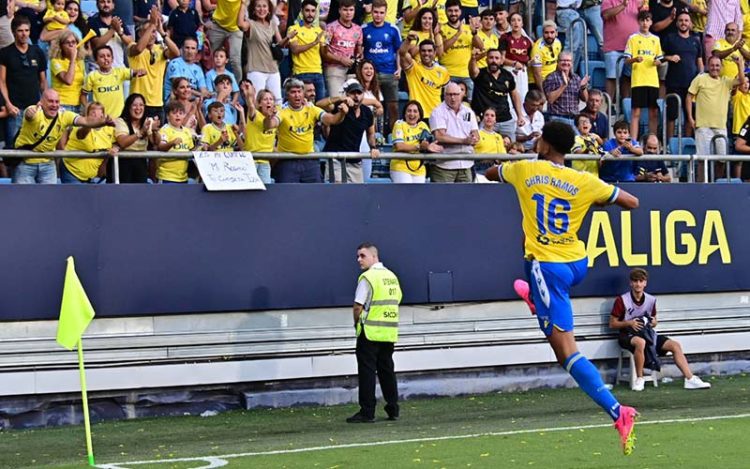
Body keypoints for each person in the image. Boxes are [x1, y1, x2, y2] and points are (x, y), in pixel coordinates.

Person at [485, 121, 641, 456]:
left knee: (565, 353)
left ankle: (618, 411)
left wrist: (513, 164)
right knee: (537, 268)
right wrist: (595, 201)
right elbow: (631, 202)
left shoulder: (525, 169)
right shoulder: (583, 180)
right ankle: (536, 299)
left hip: (548, 268)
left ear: (542, 143)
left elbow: (489, 172)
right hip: (577, 263)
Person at [609, 268, 711, 391]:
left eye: (641, 281)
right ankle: (640, 378)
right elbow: (612, 324)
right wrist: (629, 323)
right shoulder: (622, 300)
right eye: (635, 281)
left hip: (647, 333)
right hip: (627, 335)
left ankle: (690, 379)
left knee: (675, 345)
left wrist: (652, 322)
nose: (638, 284)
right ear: (631, 283)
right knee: (641, 342)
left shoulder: (650, 300)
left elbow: (655, 320)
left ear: (645, 283)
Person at [347, 242, 402, 423]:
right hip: (388, 332)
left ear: (373, 256)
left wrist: (357, 324)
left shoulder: (367, 278)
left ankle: (367, 411)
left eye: (362, 256)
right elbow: (397, 300)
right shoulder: (392, 276)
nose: (358, 260)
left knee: (367, 372)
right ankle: (393, 408)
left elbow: (358, 306)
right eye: (357, 256)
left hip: (369, 332)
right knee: (387, 370)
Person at [13, 89, 112, 184]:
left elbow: (85, 121)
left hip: (48, 164)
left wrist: (104, 121)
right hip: (25, 163)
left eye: (57, 102)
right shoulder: (35, 112)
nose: (54, 105)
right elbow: (29, 114)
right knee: (23, 198)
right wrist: (30, 113)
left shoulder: (64, 116)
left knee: (49, 199)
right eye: (50, 101)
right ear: (41, 102)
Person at [273, 78, 347, 183]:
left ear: (303, 94)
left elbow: (332, 120)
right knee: (287, 197)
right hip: (287, 161)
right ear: (287, 95)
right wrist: (269, 118)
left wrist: (342, 113)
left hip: (309, 161)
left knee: (316, 196)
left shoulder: (312, 109)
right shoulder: (281, 111)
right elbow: (271, 124)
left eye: (299, 92)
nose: (297, 95)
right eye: (293, 92)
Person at [686, 55, 745, 181]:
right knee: (702, 160)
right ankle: (702, 186)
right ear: (708, 66)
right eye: (712, 65)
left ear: (721, 67)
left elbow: (741, 81)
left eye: (717, 65)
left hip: (720, 127)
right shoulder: (700, 79)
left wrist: (740, 64)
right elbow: (689, 97)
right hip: (703, 127)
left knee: (722, 159)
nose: (715, 68)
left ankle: (716, 183)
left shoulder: (726, 81)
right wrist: (690, 118)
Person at [0, 15, 48, 148]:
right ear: (13, 32)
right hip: (15, 110)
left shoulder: (37, 51)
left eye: (27, 30)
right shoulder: (5, 53)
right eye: (20, 31)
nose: (24, 34)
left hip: (35, 108)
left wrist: (42, 102)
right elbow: (1, 81)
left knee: (36, 146)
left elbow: (43, 81)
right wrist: (8, 104)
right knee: (14, 150)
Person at [319, 81, 378, 183]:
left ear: (363, 95)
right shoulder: (339, 106)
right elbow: (319, 104)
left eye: (359, 93)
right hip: (336, 159)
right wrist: (340, 99)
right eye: (353, 93)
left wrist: (373, 147)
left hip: (354, 160)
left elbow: (371, 132)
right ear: (347, 95)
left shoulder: (367, 112)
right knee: (336, 194)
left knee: (356, 195)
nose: (356, 96)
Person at [128, 15, 180, 121]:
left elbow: (176, 53)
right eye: (148, 31)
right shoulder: (132, 47)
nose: (152, 35)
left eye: (153, 32)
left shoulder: (160, 49)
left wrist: (162, 32)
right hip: (138, 104)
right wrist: (152, 24)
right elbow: (138, 49)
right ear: (140, 34)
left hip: (157, 104)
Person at [661, 12, 703, 141]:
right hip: (674, 84)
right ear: (677, 22)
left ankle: (687, 143)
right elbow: (659, 57)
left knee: (690, 115)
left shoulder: (695, 41)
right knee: (671, 115)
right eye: (681, 20)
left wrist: (701, 77)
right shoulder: (670, 38)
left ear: (690, 23)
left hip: (692, 86)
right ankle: (669, 144)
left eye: (686, 20)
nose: (683, 23)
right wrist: (669, 57)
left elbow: (700, 61)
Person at [469, 47, 524, 141]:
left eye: (496, 58)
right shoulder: (480, 74)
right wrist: (473, 58)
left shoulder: (507, 75)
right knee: (486, 149)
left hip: (506, 120)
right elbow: (472, 71)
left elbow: (514, 95)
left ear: (501, 60)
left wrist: (520, 115)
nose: (494, 61)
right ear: (486, 60)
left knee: (510, 148)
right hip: (486, 120)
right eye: (491, 58)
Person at [362, 0, 401, 133]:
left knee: (393, 107)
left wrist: (399, 68)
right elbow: (360, 50)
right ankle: (375, 136)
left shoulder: (393, 29)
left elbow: (398, 51)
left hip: (389, 73)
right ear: (372, 12)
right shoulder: (364, 29)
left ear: (385, 13)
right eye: (376, 12)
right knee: (373, 107)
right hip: (371, 75)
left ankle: (394, 136)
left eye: (381, 13)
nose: (378, 15)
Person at [238, 0, 287, 104]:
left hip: (273, 68)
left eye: (264, 6)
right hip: (256, 69)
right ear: (254, 9)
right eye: (258, 6)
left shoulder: (273, 23)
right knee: (256, 101)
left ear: (269, 9)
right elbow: (240, 24)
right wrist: (243, 5)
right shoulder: (250, 24)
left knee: (277, 101)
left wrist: (289, 37)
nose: (262, 9)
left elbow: (280, 44)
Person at [429, 81, 479, 183]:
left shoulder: (468, 111)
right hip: (444, 166)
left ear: (461, 95)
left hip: (466, 164)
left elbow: (476, 133)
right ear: (444, 95)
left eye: (456, 94)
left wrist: (474, 138)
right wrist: (464, 141)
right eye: (449, 94)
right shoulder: (437, 112)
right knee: (442, 198)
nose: (453, 98)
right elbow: (440, 136)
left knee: (465, 198)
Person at [625, 10, 663, 142]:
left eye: (647, 20)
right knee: (636, 112)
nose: (645, 23)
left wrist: (658, 62)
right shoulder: (633, 38)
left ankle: (652, 140)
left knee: (653, 112)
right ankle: (634, 141)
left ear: (651, 22)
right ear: (639, 22)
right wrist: (635, 59)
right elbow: (626, 60)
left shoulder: (656, 39)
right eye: (642, 20)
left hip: (652, 81)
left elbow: (660, 60)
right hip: (638, 80)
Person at [61, 101, 119, 184]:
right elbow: (84, 130)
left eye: (101, 113)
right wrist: (95, 123)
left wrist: (115, 148)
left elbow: (118, 142)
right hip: (72, 172)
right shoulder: (81, 128)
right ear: (86, 115)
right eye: (93, 113)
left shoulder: (109, 130)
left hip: (92, 176)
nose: (98, 116)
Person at [82, 45, 146, 118]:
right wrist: (89, 108)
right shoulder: (92, 76)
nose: (106, 58)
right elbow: (83, 95)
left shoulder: (119, 72)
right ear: (96, 61)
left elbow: (137, 72)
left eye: (108, 56)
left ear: (112, 59)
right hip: (101, 118)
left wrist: (141, 72)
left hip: (119, 117)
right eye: (102, 56)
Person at [602, 0, 644, 101]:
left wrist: (642, 8)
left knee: (628, 78)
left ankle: (626, 107)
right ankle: (608, 108)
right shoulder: (608, 0)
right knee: (612, 78)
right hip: (614, 46)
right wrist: (623, 5)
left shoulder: (635, 1)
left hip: (632, 47)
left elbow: (644, 17)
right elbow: (606, 15)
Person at [390, 100, 441, 183]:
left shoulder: (423, 125)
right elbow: (399, 146)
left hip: (419, 169)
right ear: (405, 113)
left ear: (419, 114)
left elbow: (428, 144)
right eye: (409, 111)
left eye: (415, 111)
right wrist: (418, 147)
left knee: (418, 195)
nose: (412, 114)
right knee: (406, 194)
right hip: (401, 167)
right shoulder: (399, 124)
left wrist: (429, 147)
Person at [322, 0, 362, 100]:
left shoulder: (358, 29)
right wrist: (340, 59)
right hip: (334, 69)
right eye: (345, 10)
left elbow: (359, 50)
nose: (348, 13)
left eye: (351, 10)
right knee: (337, 101)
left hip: (351, 71)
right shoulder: (330, 28)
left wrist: (358, 56)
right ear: (339, 10)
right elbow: (323, 52)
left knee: (353, 101)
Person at [288, 0, 327, 103]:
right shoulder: (293, 29)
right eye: (307, 10)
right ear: (301, 11)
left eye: (313, 11)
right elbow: (295, 49)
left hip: (318, 72)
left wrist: (327, 43)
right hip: (301, 73)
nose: (310, 14)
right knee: (301, 105)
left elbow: (323, 54)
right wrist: (314, 43)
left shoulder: (318, 30)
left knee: (320, 106)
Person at [112, 92, 156, 183]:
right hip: (123, 164)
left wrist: (155, 131)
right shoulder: (120, 122)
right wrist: (140, 132)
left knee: (139, 194)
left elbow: (155, 143)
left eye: (141, 105)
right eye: (134, 105)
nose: (138, 108)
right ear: (128, 107)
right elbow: (123, 142)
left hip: (141, 164)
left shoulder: (147, 122)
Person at [401, 39, 450, 118]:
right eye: (423, 51)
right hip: (417, 116)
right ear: (419, 53)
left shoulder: (443, 71)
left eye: (429, 51)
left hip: (436, 115)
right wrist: (408, 40)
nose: (426, 53)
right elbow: (402, 54)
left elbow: (448, 95)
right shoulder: (414, 68)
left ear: (435, 53)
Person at [154, 99, 198, 183]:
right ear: (167, 116)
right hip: (166, 177)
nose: (178, 115)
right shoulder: (164, 130)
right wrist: (172, 143)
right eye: (174, 113)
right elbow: (161, 147)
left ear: (184, 115)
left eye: (180, 113)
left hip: (183, 177)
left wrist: (197, 144)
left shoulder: (187, 131)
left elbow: (191, 150)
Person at [241, 82, 277, 184]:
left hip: (265, 161)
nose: (269, 102)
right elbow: (251, 106)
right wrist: (249, 95)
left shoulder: (276, 119)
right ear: (260, 103)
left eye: (271, 99)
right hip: (251, 160)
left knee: (265, 192)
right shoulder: (255, 115)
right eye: (265, 99)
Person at [542, 51, 589, 129]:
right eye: (563, 60)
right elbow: (550, 99)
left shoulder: (576, 78)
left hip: (574, 119)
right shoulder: (551, 77)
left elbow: (585, 99)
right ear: (558, 62)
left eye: (568, 61)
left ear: (572, 63)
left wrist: (583, 87)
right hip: (558, 118)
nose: (566, 63)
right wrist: (564, 85)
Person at [441, 0, 475, 99]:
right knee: (447, 107)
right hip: (447, 74)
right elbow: (442, 48)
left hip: (466, 74)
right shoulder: (441, 28)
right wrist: (458, 33)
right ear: (445, 12)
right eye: (450, 11)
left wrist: (474, 33)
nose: (453, 13)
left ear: (460, 12)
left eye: (456, 10)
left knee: (468, 106)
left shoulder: (468, 28)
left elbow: (480, 46)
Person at [205, 0, 245, 85]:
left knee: (235, 60)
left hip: (236, 28)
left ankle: (238, 88)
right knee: (212, 58)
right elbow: (207, 5)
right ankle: (211, 85)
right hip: (218, 25)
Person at [88, 0, 134, 70]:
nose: (106, 4)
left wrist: (120, 32)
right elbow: (97, 44)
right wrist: (113, 29)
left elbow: (131, 42)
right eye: (102, 2)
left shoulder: (119, 21)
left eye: (108, 2)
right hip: (99, 72)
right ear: (97, 5)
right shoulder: (92, 22)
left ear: (113, 5)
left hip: (119, 70)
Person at [50, 31, 86, 114]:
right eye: (67, 42)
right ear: (61, 46)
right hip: (63, 105)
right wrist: (73, 58)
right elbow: (68, 80)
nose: (71, 45)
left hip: (78, 105)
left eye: (74, 42)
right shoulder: (55, 61)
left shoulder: (80, 61)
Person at [163, 36, 208, 102]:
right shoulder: (175, 63)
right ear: (182, 49)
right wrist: (200, 95)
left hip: (193, 101)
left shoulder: (198, 69)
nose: (190, 51)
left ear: (196, 51)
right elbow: (179, 87)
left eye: (193, 48)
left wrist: (208, 94)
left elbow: (203, 90)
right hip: (175, 101)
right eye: (187, 48)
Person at [499, 12, 532, 103]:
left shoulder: (527, 41)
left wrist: (530, 62)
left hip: (522, 72)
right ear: (510, 23)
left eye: (518, 20)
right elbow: (501, 59)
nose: (516, 23)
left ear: (522, 23)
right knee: (509, 99)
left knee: (523, 97)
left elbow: (528, 59)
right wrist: (514, 63)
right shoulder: (505, 38)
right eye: (513, 20)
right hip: (508, 70)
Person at [529, 20, 562, 90]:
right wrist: (543, 92)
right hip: (537, 83)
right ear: (542, 33)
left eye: (552, 32)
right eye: (546, 33)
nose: (549, 35)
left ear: (556, 33)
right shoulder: (537, 49)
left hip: (552, 80)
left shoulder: (558, 43)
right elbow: (537, 74)